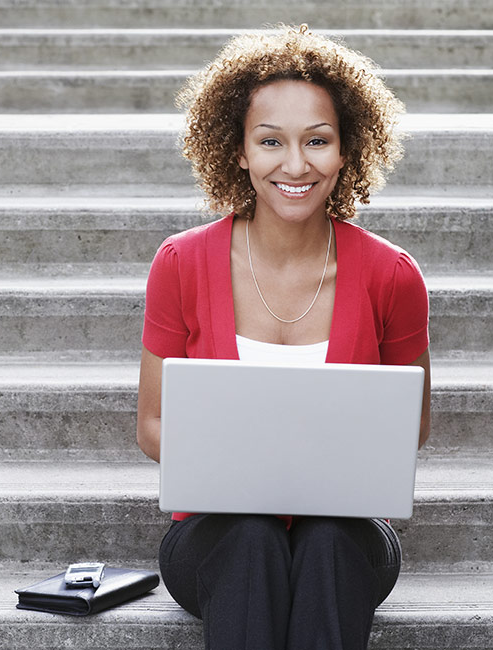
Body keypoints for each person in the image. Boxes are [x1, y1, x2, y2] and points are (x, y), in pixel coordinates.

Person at [135, 25, 432, 650]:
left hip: (347, 537)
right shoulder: (181, 264)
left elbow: (413, 425)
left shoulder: (392, 275)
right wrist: (242, 468)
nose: (295, 165)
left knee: (324, 539)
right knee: (252, 536)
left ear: (346, 149)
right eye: (270, 141)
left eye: (317, 141)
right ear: (238, 150)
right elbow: (153, 426)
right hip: (217, 534)